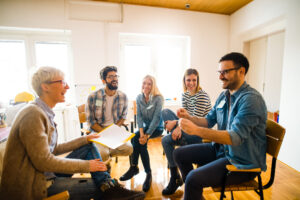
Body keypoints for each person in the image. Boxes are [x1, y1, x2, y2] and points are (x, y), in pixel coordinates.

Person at [0, 66, 145, 200]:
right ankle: (108, 187)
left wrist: (84, 139)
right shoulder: (33, 114)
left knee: (88, 146)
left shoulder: (42, 112)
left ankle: (108, 185)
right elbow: (43, 161)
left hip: (45, 173)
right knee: (100, 188)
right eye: (62, 82)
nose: (68, 86)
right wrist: (87, 166)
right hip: (35, 184)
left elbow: (54, 150)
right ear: (45, 87)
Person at [174, 52, 267, 200]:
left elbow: (235, 138)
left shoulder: (251, 100)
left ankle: (192, 192)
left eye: (225, 72)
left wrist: (197, 131)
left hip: (241, 163)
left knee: (192, 179)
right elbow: (209, 121)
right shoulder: (224, 95)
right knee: (178, 154)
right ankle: (194, 196)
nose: (220, 76)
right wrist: (189, 117)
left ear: (241, 71)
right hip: (221, 151)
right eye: (220, 72)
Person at [161, 68, 211, 195]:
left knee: (166, 141)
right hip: (188, 126)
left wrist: (177, 125)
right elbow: (184, 116)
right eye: (188, 80)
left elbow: (194, 120)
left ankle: (175, 177)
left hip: (199, 130)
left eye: (194, 80)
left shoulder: (202, 96)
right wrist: (178, 124)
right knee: (165, 112)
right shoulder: (185, 94)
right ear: (184, 81)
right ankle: (183, 142)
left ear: (197, 81)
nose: (191, 83)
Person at [119, 75, 164, 192]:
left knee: (141, 142)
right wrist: (142, 133)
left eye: (149, 84)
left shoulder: (158, 98)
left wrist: (146, 136)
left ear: (153, 85)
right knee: (136, 137)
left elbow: (156, 118)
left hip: (157, 127)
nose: (146, 86)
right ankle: (135, 168)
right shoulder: (139, 98)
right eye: (144, 83)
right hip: (145, 127)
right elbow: (138, 116)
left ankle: (145, 172)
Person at [86, 66, 133, 164]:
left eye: (116, 76)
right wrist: (106, 134)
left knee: (129, 149)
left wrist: (114, 130)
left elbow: (123, 117)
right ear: (103, 80)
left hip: (114, 131)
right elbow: (91, 122)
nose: (115, 79)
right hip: (98, 132)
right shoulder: (93, 97)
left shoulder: (123, 97)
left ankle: (106, 156)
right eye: (111, 77)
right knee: (102, 153)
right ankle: (105, 163)